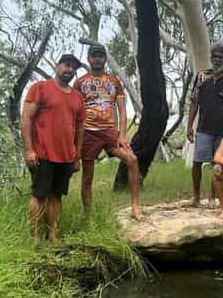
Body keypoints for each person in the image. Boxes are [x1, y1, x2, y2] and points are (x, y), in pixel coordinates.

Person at [21, 54, 86, 245]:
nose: (70, 70)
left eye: (74, 67)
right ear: (57, 66)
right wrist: (29, 150)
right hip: (42, 153)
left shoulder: (77, 98)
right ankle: (35, 238)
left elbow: (80, 129)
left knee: (56, 196)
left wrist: (77, 157)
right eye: (67, 65)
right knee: (39, 195)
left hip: (66, 156)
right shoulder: (40, 88)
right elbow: (26, 118)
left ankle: (52, 235)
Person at [73, 44, 141, 220]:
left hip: (110, 132)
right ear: (89, 59)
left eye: (100, 56)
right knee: (87, 178)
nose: (97, 59)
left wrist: (122, 134)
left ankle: (135, 207)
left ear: (105, 59)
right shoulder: (80, 82)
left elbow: (122, 110)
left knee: (132, 160)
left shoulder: (114, 82)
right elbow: (73, 109)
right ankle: (87, 216)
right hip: (88, 132)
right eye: (94, 56)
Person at [187, 43, 223, 206]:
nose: (216, 60)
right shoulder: (201, 77)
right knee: (197, 162)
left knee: (218, 164)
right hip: (203, 128)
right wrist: (189, 126)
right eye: (214, 57)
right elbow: (194, 102)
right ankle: (195, 196)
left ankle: (213, 198)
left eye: (220, 57)